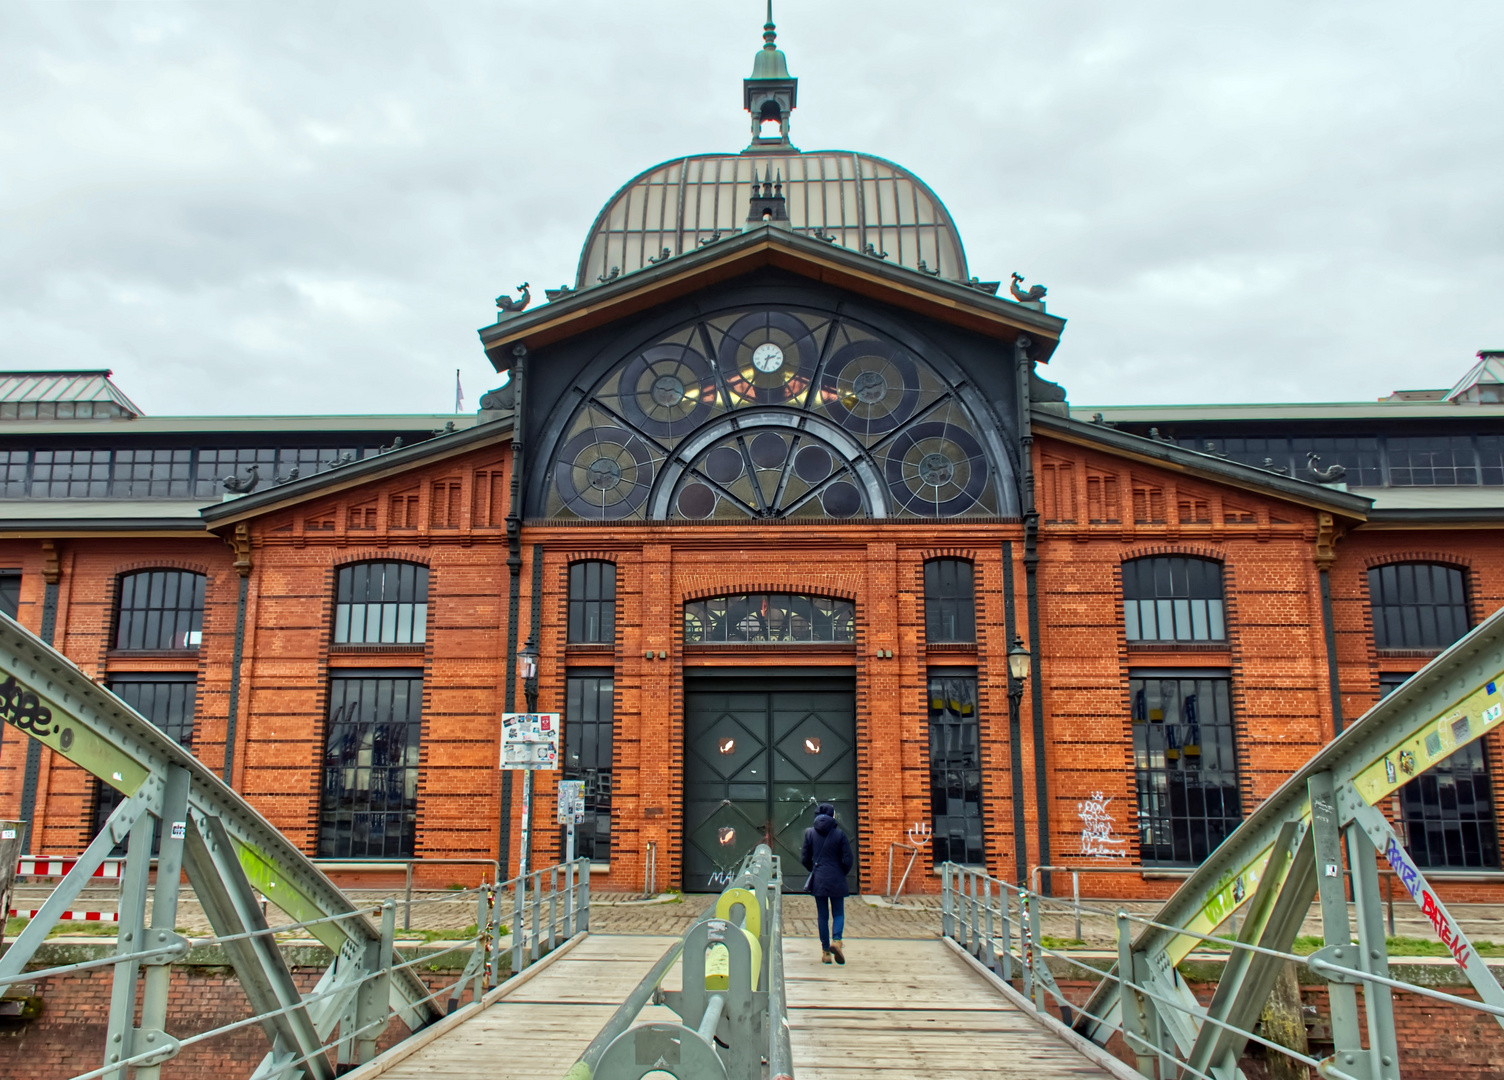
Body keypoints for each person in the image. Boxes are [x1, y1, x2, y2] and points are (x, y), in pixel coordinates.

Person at [800, 801, 854, 965]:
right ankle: (836, 941)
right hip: (837, 876)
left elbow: (804, 858)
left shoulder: (810, 834)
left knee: (822, 915)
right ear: (832, 816)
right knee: (838, 912)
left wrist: (814, 870)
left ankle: (825, 952)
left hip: (819, 878)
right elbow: (848, 859)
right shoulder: (840, 834)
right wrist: (842, 871)